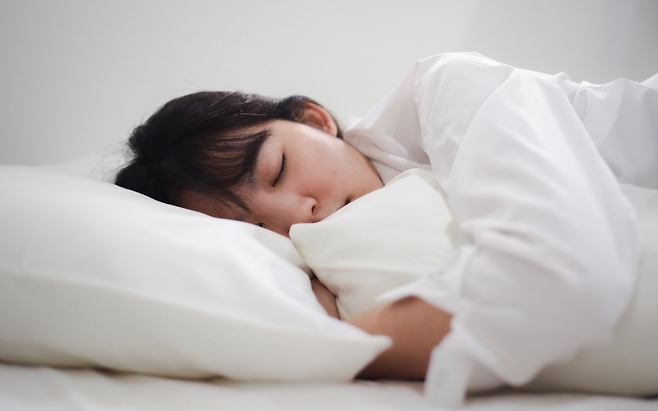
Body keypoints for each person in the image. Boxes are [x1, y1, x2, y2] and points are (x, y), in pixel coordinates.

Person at [116, 53, 656, 406]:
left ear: (313, 120)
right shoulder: (328, 264)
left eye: (278, 169)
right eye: (257, 226)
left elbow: (560, 271)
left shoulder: (445, 87)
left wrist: (336, 348)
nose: (299, 215)